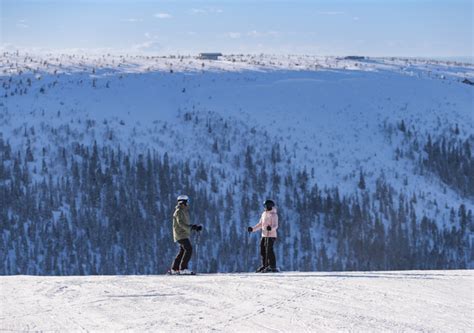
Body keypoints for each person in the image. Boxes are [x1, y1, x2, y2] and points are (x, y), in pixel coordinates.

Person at [169, 195, 202, 275]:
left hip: (182, 234)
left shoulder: (183, 210)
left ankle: (175, 268)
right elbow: (181, 223)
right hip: (180, 234)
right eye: (186, 201)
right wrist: (191, 227)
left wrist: (193, 227)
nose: (187, 203)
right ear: (183, 202)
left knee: (183, 250)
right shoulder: (179, 211)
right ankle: (183, 268)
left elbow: (184, 224)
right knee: (189, 249)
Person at [248, 199, 279, 273]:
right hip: (264, 235)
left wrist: (271, 228)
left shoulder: (274, 215)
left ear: (270, 206)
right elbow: (260, 224)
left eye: (266, 205)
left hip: (271, 235)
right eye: (264, 206)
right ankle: (265, 265)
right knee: (263, 250)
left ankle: (272, 266)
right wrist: (252, 229)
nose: (265, 207)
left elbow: (275, 225)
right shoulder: (264, 214)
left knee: (269, 250)